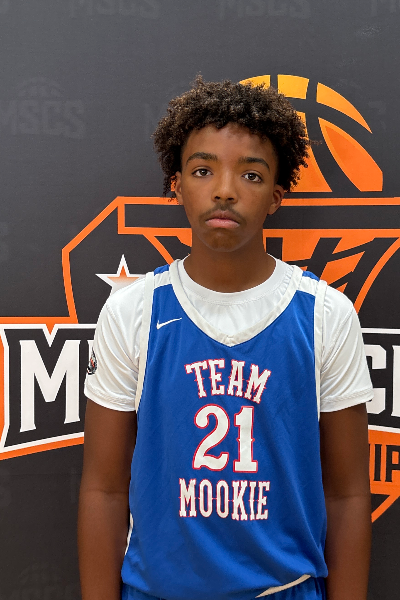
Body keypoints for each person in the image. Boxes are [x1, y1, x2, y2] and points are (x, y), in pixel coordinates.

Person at [78, 76, 373, 600]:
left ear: (276, 196)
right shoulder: (133, 311)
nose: (225, 190)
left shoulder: (325, 313)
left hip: (285, 588)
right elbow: (104, 488)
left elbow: (348, 495)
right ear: (176, 184)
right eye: (203, 170)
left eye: (251, 174)